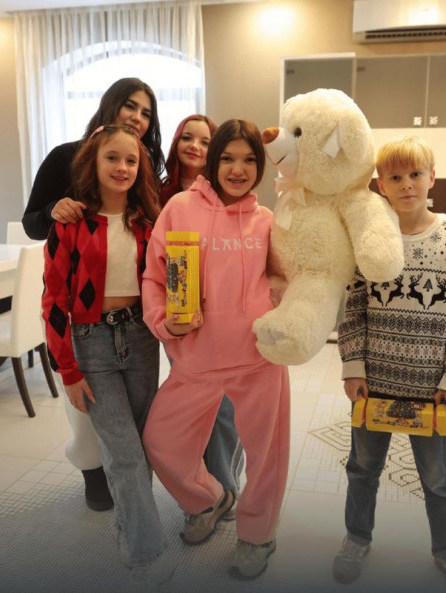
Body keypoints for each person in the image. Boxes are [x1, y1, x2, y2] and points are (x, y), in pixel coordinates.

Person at [334, 135, 446, 593]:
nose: (406, 184)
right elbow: (352, 307)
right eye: (395, 177)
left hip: (432, 389)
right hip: (374, 383)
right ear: (380, 185)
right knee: (363, 469)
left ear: (432, 177)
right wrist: (353, 365)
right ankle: (356, 538)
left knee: (438, 479)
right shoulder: (369, 241)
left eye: (415, 174)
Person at [141, 119, 290, 580]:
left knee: (267, 453)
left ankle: (258, 536)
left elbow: (285, 279)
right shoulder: (180, 208)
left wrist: (282, 307)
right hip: (197, 356)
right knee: (161, 441)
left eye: (248, 160)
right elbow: (154, 276)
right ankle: (210, 498)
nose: (237, 169)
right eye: (227, 158)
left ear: (260, 166)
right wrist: (163, 321)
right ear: (213, 161)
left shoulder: (267, 220)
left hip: (258, 357)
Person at [22, 77, 163, 512]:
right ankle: (95, 475)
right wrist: (54, 211)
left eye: (146, 113)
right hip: (80, 318)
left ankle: (133, 507)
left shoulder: (144, 192)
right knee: (88, 422)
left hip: (137, 329)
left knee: (134, 431)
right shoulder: (66, 157)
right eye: (130, 106)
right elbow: (32, 222)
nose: (137, 117)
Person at [41, 125, 172, 589]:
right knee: (121, 452)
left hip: (140, 338)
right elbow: (53, 301)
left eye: (131, 160)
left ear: (141, 169)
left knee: (140, 445)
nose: (122, 167)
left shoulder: (150, 224)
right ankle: (145, 549)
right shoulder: (70, 224)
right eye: (112, 158)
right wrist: (67, 370)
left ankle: (131, 525)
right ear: (93, 163)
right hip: (90, 341)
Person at [159, 114, 246, 506]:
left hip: (222, 322)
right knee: (191, 408)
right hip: (176, 317)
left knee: (224, 408)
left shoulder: (229, 195)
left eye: (205, 141)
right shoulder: (158, 195)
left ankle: (225, 485)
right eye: (187, 138)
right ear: (175, 142)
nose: (195, 146)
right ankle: (201, 488)